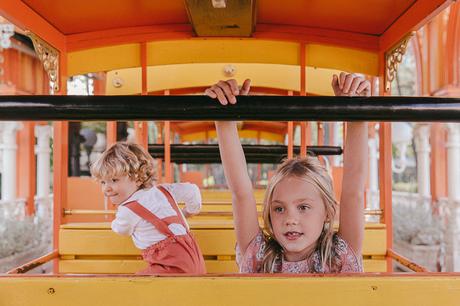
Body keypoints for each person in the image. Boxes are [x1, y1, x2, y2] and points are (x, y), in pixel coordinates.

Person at [205, 73, 368, 273]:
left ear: (328, 212)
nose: (290, 219)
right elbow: (241, 193)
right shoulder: (260, 257)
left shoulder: (338, 257)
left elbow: (354, 192)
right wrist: (224, 119)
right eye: (279, 209)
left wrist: (357, 110)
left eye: (303, 207)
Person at [90, 142, 206, 274]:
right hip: (196, 262)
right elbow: (192, 190)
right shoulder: (164, 190)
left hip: (170, 266)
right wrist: (189, 211)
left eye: (114, 180)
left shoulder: (127, 210)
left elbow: (122, 230)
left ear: (138, 179)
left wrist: (114, 224)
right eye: (103, 182)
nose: (106, 188)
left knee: (136, 284)